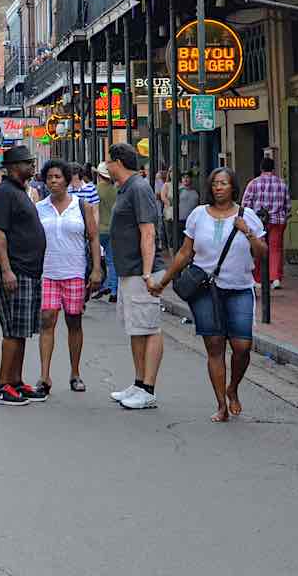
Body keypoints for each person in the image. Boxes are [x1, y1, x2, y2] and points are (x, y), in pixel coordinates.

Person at [150, 167, 267, 421]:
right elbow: (184, 252)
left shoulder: (248, 216)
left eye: (224, 183)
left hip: (239, 288)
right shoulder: (198, 215)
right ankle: (221, 405)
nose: (219, 188)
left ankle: (233, 388)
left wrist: (247, 231)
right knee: (214, 346)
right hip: (205, 288)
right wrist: (164, 280)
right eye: (215, 184)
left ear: (233, 187)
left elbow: (262, 253)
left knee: (242, 346)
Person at [105, 142, 168, 410]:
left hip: (141, 271)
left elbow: (148, 232)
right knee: (136, 328)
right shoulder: (125, 188)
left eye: (108, 161)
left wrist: (147, 272)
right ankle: (139, 382)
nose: (106, 166)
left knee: (149, 326)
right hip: (128, 270)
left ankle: (149, 389)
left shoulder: (139, 188)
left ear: (118, 162)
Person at [0, 145, 48, 406]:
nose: (32, 168)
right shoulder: (4, 193)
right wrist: (7, 269)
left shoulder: (20, 192)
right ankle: (1, 386)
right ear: (14, 168)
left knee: (21, 330)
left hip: (28, 270)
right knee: (12, 330)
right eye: (28, 163)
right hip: (15, 271)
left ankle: (15, 381)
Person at [36, 159, 102, 395]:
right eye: (49, 178)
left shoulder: (81, 205)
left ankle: (75, 373)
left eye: (57, 177)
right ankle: (44, 376)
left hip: (74, 272)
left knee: (74, 322)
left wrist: (96, 269)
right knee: (47, 321)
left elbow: (93, 238)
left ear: (66, 179)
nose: (53, 181)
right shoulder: (40, 207)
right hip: (47, 273)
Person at [241, 157, 290, 290]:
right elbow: (288, 205)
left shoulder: (253, 183)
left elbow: (245, 204)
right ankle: (275, 278)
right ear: (273, 169)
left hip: (258, 222)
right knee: (276, 249)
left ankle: (258, 278)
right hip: (277, 220)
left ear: (261, 169)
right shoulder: (282, 183)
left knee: (258, 249)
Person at [95, 162, 119, 301]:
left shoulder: (96, 190)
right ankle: (113, 289)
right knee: (111, 261)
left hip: (99, 229)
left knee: (97, 260)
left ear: (99, 175)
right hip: (113, 228)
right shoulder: (116, 190)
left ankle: (105, 285)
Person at [174, 172, 201, 244]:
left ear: (191, 179)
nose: (185, 179)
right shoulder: (178, 191)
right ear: (181, 180)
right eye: (183, 177)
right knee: (181, 241)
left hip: (193, 220)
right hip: (181, 220)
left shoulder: (196, 191)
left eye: (187, 177)